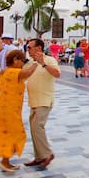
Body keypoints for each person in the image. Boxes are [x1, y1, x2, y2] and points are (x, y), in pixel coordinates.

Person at [0, 50, 37, 172]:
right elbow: (28, 73)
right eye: (21, 60)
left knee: (8, 133)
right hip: (9, 109)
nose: (22, 63)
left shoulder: (3, 71)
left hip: (4, 106)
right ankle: (4, 161)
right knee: (12, 133)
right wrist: (37, 62)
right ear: (15, 60)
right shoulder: (14, 72)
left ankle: (6, 161)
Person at [24, 38, 61, 170]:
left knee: (38, 126)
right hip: (33, 100)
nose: (27, 49)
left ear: (38, 48)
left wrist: (43, 64)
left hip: (44, 100)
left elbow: (57, 74)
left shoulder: (49, 60)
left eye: (30, 47)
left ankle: (47, 154)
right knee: (34, 128)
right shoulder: (29, 62)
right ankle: (39, 156)